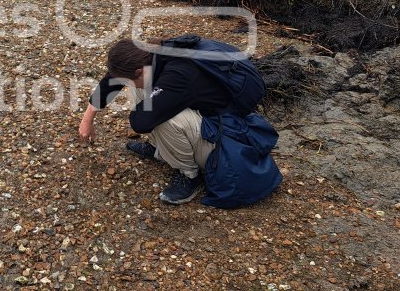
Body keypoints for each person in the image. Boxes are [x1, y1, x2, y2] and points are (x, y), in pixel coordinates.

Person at [78, 36, 282, 207]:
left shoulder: (179, 76)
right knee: (143, 93)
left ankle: (189, 175)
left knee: (164, 119)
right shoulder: (152, 54)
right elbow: (114, 78)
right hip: (203, 110)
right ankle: (161, 150)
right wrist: (88, 118)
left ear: (139, 70)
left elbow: (141, 123)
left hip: (224, 132)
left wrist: (148, 105)